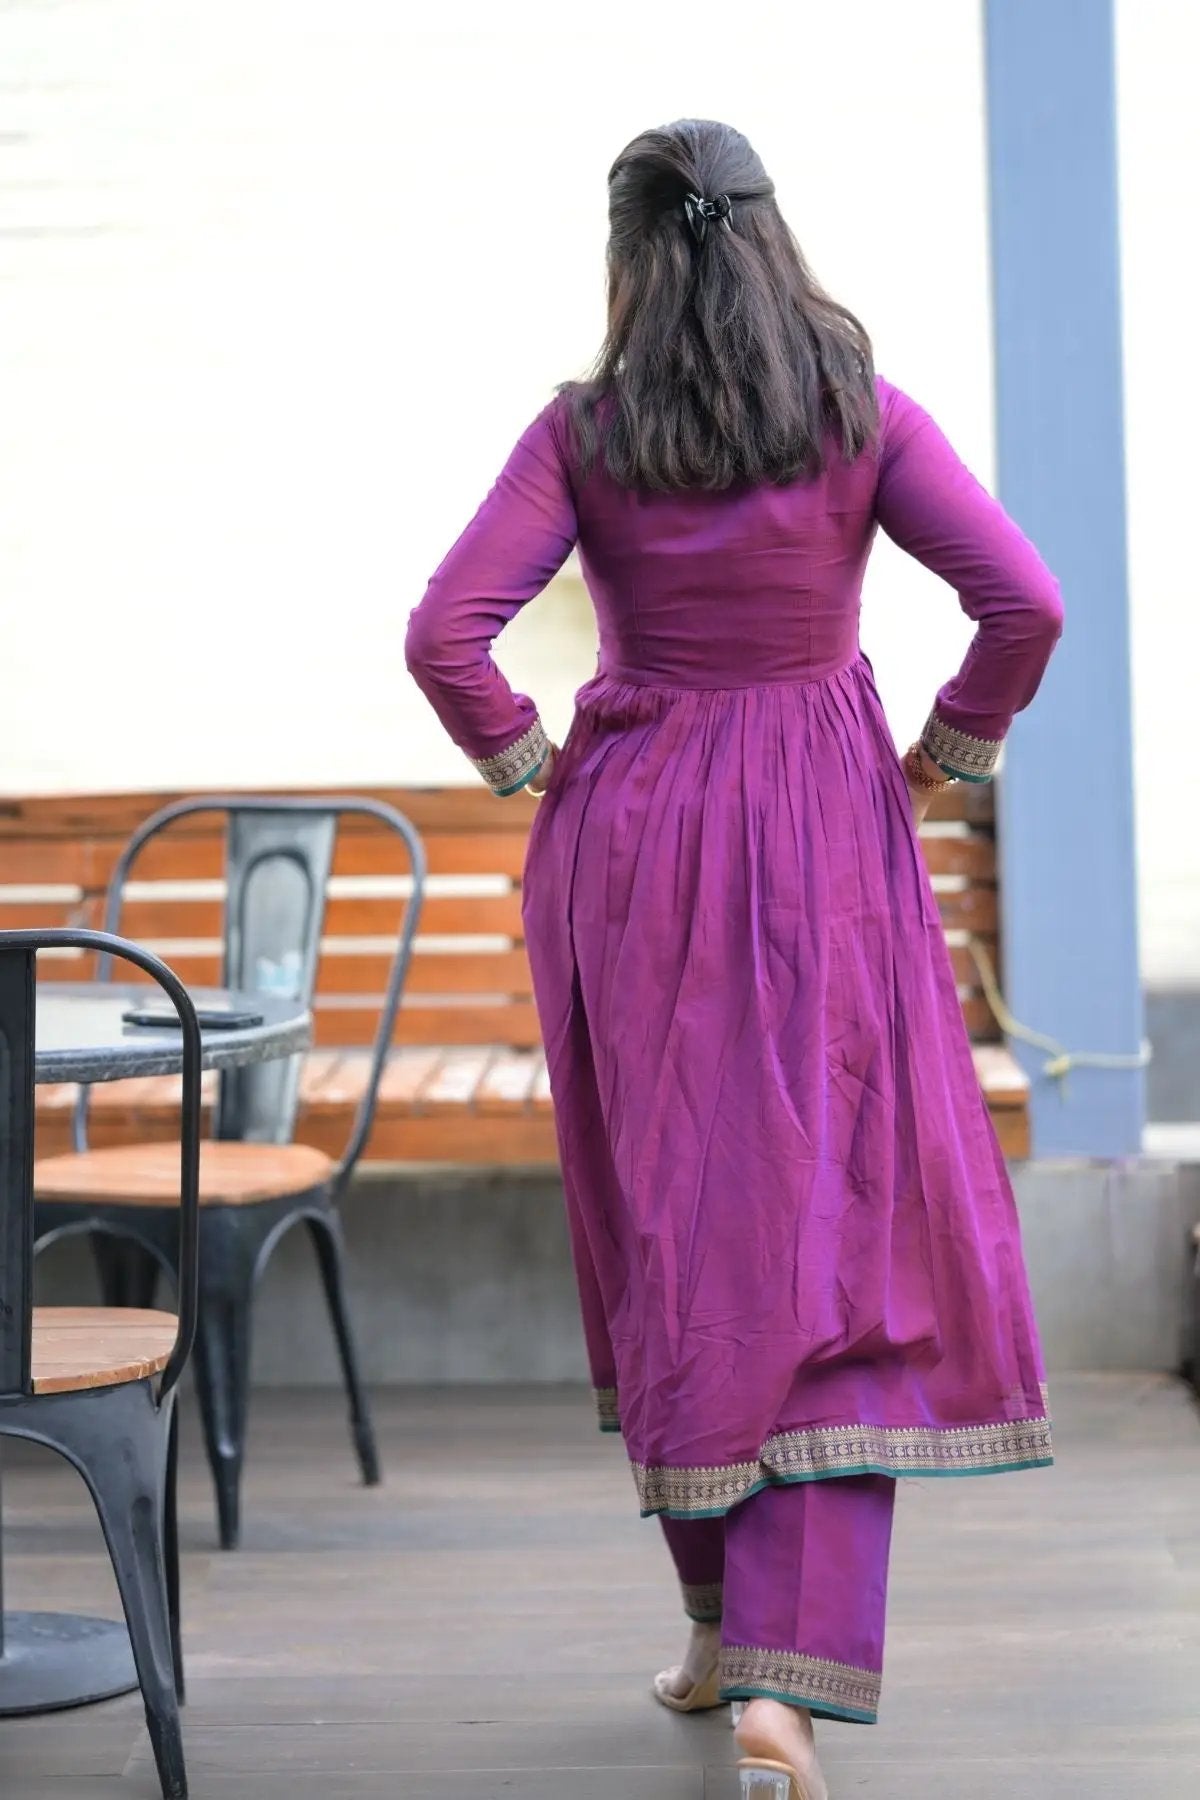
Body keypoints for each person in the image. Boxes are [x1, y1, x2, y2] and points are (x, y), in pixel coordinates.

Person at [405, 116, 1061, 1800]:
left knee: (685, 1229)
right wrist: (951, 752)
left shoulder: (588, 433)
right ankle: (776, 1682)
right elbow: (1026, 605)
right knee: (830, 1232)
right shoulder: (858, 411)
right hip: (826, 850)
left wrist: (533, 766)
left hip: (632, 856)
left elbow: (446, 634)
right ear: (773, 236)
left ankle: (717, 1638)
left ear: (629, 256)